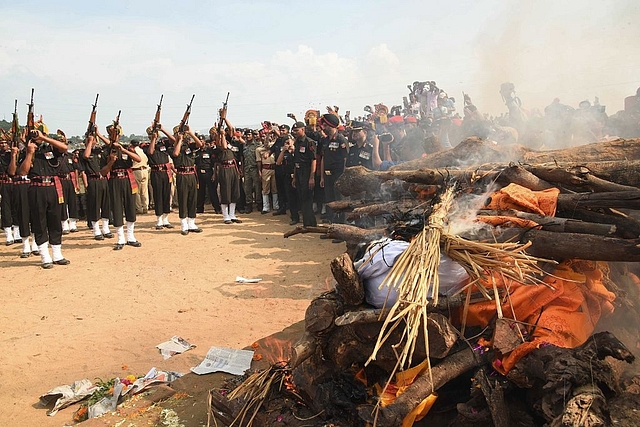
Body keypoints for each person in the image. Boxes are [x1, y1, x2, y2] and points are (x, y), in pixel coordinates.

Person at [17, 129, 70, 268]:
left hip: (53, 187)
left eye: (39, 133)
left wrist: (44, 139)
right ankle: (44, 256)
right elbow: (22, 171)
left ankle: (57, 254)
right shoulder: (27, 151)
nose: (37, 136)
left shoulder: (50, 148)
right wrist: (29, 152)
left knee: (55, 220)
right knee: (39, 222)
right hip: (36, 188)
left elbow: (64, 147)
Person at [98, 123, 142, 250]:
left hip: (127, 179)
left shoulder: (126, 148)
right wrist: (111, 161)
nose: (115, 136)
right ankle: (120, 238)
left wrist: (123, 150)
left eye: (116, 134)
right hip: (115, 180)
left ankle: (131, 236)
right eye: (112, 134)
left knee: (130, 206)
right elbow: (103, 172)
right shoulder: (106, 151)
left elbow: (137, 159)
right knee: (117, 208)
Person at [172, 125, 203, 235]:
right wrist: (179, 140)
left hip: (191, 174)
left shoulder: (190, 146)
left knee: (192, 199)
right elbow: (175, 153)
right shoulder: (174, 146)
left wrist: (191, 133)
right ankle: (183, 224)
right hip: (182, 174)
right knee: (183, 199)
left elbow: (200, 144)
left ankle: (191, 223)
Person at [81, 131, 113, 240]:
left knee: (106, 204)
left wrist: (99, 134)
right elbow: (86, 156)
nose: (93, 141)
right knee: (94, 205)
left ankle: (105, 228)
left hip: (103, 180)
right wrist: (89, 141)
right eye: (90, 139)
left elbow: (111, 145)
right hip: (93, 180)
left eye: (94, 139)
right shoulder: (83, 152)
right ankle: (96, 230)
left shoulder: (101, 151)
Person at [318, 113, 347, 225]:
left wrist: (343, 178)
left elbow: (345, 159)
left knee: (339, 202)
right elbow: (323, 159)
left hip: (338, 175)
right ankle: (332, 226)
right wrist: (322, 177)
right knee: (329, 201)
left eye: (325, 125)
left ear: (331, 126)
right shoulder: (324, 141)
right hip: (327, 176)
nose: (323, 128)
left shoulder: (341, 140)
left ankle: (340, 227)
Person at [215, 112, 243, 224]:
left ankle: (232, 214)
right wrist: (221, 134)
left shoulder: (232, 140)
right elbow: (224, 146)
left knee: (234, 191)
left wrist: (224, 118)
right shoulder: (218, 141)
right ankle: (225, 216)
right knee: (225, 192)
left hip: (233, 167)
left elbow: (231, 128)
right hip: (225, 168)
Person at [146, 124, 175, 230]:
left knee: (167, 195)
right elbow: (150, 152)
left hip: (166, 172)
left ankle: (165, 219)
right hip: (156, 172)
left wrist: (162, 129)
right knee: (158, 196)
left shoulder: (163, 143)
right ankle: (159, 220)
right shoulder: (146, 145)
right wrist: (153, 139)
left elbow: (173, 140)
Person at [291, 121, 317, 227]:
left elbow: (313, 160)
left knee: (307, 198)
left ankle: (309, 223)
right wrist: (294, 177)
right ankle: (308, 222)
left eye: (297, 130)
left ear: (303, 129)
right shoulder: (296, 142)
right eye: (294, 130)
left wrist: (312, 177)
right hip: (298, 172)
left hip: (307, 172)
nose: (295, 132)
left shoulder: (309, 142)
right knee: (302, 198)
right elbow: (296, 160)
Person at [196, 132, 221, 214]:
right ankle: (200, 208)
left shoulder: (209, 151)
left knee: (212, 191)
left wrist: (214, 174)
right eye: (198, 140)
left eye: (201, 140)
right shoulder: (196, 152)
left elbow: (214, 163)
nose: (200, 142)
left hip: (208, 172)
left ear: (204, 141)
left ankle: (217, 208)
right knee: (200, 191)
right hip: (199, 172)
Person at [257, 130, 278, 214]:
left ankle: (276, 205)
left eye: (268, 136)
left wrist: (272, 131)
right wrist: (259, 171)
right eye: (264, 136)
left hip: (274, 168)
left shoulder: (274, 146)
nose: (267, 138)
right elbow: (258, 162)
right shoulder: (259, 149)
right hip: (265, 169)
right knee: (265, 189)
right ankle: (266, 207)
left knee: (275, 188)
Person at [241, 129, 261, 214]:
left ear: (252, 135)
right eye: (247, 135)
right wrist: (242, 169)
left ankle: (259, 203)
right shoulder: (244, 145)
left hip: (255, 168)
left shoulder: (257, 145)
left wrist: (260, 170)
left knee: (257, 187)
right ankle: (249, 205)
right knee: (247, 188)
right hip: (246, 169)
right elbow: (242, 158)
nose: (248, 136)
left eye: (249, 134)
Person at [130, 139, 149, 214]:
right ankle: (145, 207)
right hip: (145, 170)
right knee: (144, 190)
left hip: (136, 170)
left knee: (137, 191)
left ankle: (139, 208)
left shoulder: (133, 151)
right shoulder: (142, 150)